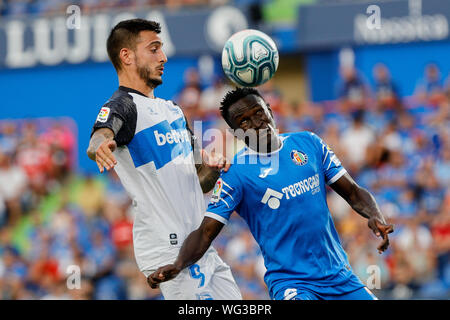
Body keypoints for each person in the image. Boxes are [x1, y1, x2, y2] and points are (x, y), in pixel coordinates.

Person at [148, 87, 395, 300]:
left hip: (340, 276)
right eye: (244, 121)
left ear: (269, 110)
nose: (256, 123)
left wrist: (375, 216)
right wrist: (179, 264)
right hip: (292, 284)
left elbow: (353, 192)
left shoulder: (309, 143)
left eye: (258, 113)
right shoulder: (236, 174)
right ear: (236, 133)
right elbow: (205, 232)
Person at [86, 19, 242, 300]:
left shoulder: (172, 110)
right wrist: (99, 146)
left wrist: (213, 167)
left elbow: (201, 181)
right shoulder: (123, 106)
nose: (164, 57)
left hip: (200, 245)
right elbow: (101, 135)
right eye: (154, 49)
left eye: (162, 49)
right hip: (170, 248)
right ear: (127, 56)